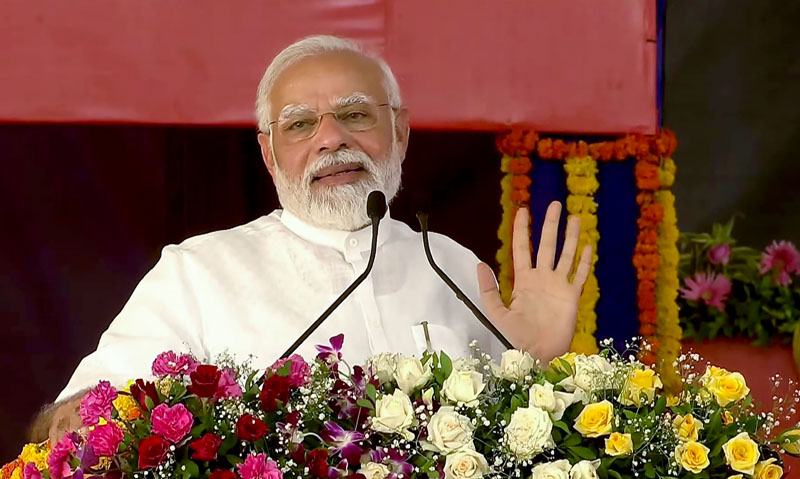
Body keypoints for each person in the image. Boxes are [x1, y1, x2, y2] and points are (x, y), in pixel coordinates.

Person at [31, 35, 591, 446]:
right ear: (269, 155)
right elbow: (73, 428)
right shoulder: (197, 273)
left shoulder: (452, 265)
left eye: (355, 114)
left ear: (401, 133)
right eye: (300, 124)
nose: (332, 139)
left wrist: (535, 365)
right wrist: (84, 423)